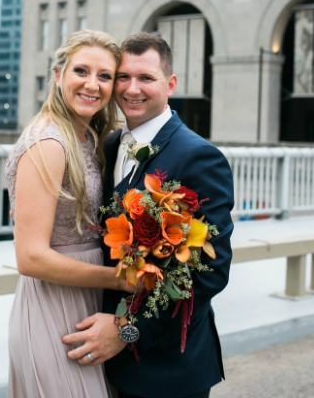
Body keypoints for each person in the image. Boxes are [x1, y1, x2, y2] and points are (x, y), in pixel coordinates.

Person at [62, 33, 235, 398]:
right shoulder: (108, 144)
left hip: (165, 368)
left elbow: (207, 276)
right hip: (102, 356)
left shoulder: (199, 157)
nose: (131, 89)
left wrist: (126, 330)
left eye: (146, 78)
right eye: (123, 77)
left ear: (170, 84)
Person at [5, 29, 137, 398]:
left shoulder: (90, 137)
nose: (92, 84)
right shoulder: (49, 143)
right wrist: (122, 281)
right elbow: (30, 257)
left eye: (105, 76)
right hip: (54, 307)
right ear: (58, 74)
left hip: (85, 298)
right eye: (81, 71)